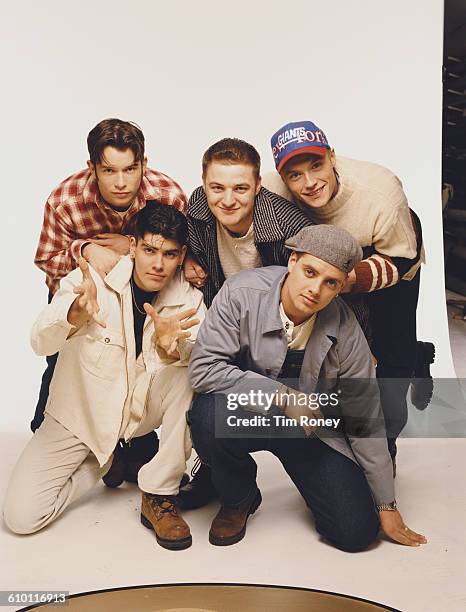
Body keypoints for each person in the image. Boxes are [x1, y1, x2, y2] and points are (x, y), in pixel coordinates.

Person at [187, 225, 427, 551]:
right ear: (293, 261)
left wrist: (387, 504)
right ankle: (238, 497)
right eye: (310, 272)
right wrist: (281, 396)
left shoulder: (345, 329)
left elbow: (363, 417)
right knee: (206, 416)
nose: (315, 289)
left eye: (330, 283)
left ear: (341, 286)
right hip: (247, 416)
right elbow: (204, 371)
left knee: (356, 533)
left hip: (309, 429)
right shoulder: (241, 292)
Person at [4, 202, 205, 550]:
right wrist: (74, 314)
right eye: (149, 250)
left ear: (181, 254)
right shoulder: (90, 281)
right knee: (22, 518)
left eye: (169, 254)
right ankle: (103, 461)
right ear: (133, 245)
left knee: (190, 376)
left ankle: (158, 492)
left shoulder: (188, 298)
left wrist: (174, 349)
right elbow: (39, 340)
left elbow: (201, 357)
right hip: (78, 417)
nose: (158, 264)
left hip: (137, 417)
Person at [262, 120, 435, 462]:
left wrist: (349, 279)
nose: (309, 182)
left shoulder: (380, 190)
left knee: (389, 356)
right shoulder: (268, 191)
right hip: (329, 265)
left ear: (333, 158)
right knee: (340, 352)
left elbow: (403, 259)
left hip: (387, 258)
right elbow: (223, 196)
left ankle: (386, 443)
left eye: (316, 166)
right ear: (282, 178)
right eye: (295, 175)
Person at [31, 118, 188, 485]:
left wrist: (128, 252)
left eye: (130, 169)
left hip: (147, 297)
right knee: (65, 367)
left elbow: (182, 250)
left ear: (144, 164)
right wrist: (85, 250)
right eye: (109, 170)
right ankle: (66, 438)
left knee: (140, 363)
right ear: (92, 168)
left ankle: (130, 442)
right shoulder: (65, 200)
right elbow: (49, 262)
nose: (121, 182)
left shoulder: (169, 195)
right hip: (85, 295)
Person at [180, 137, 326, 507]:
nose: (227, 200)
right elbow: (192, 245)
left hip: (285, 342)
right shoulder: (198, 205)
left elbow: (326, 285)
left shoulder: (288, 227)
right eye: (217, 187)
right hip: (232, 331)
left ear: (258, 185)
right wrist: (187, 261)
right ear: (204, 182)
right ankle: (229, 485)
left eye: (240, 188)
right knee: (207, 410)